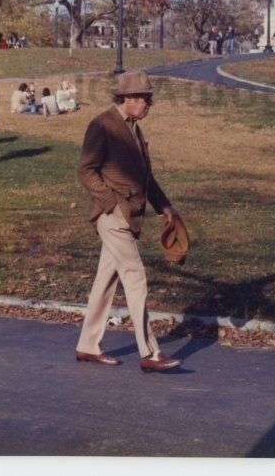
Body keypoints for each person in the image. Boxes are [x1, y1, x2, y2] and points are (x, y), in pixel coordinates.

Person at [75, 70, 188, 372]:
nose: (149, 105)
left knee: (106, 280)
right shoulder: (102, 125)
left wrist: (166, 207)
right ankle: (150, 352)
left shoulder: (134, 130)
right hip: (114, 216)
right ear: (129, 99)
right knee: (135, 276)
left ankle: (87, 345)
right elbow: (87, 170)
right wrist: (111, 203)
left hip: (128, 216)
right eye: (146, 100)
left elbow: (146, 180)